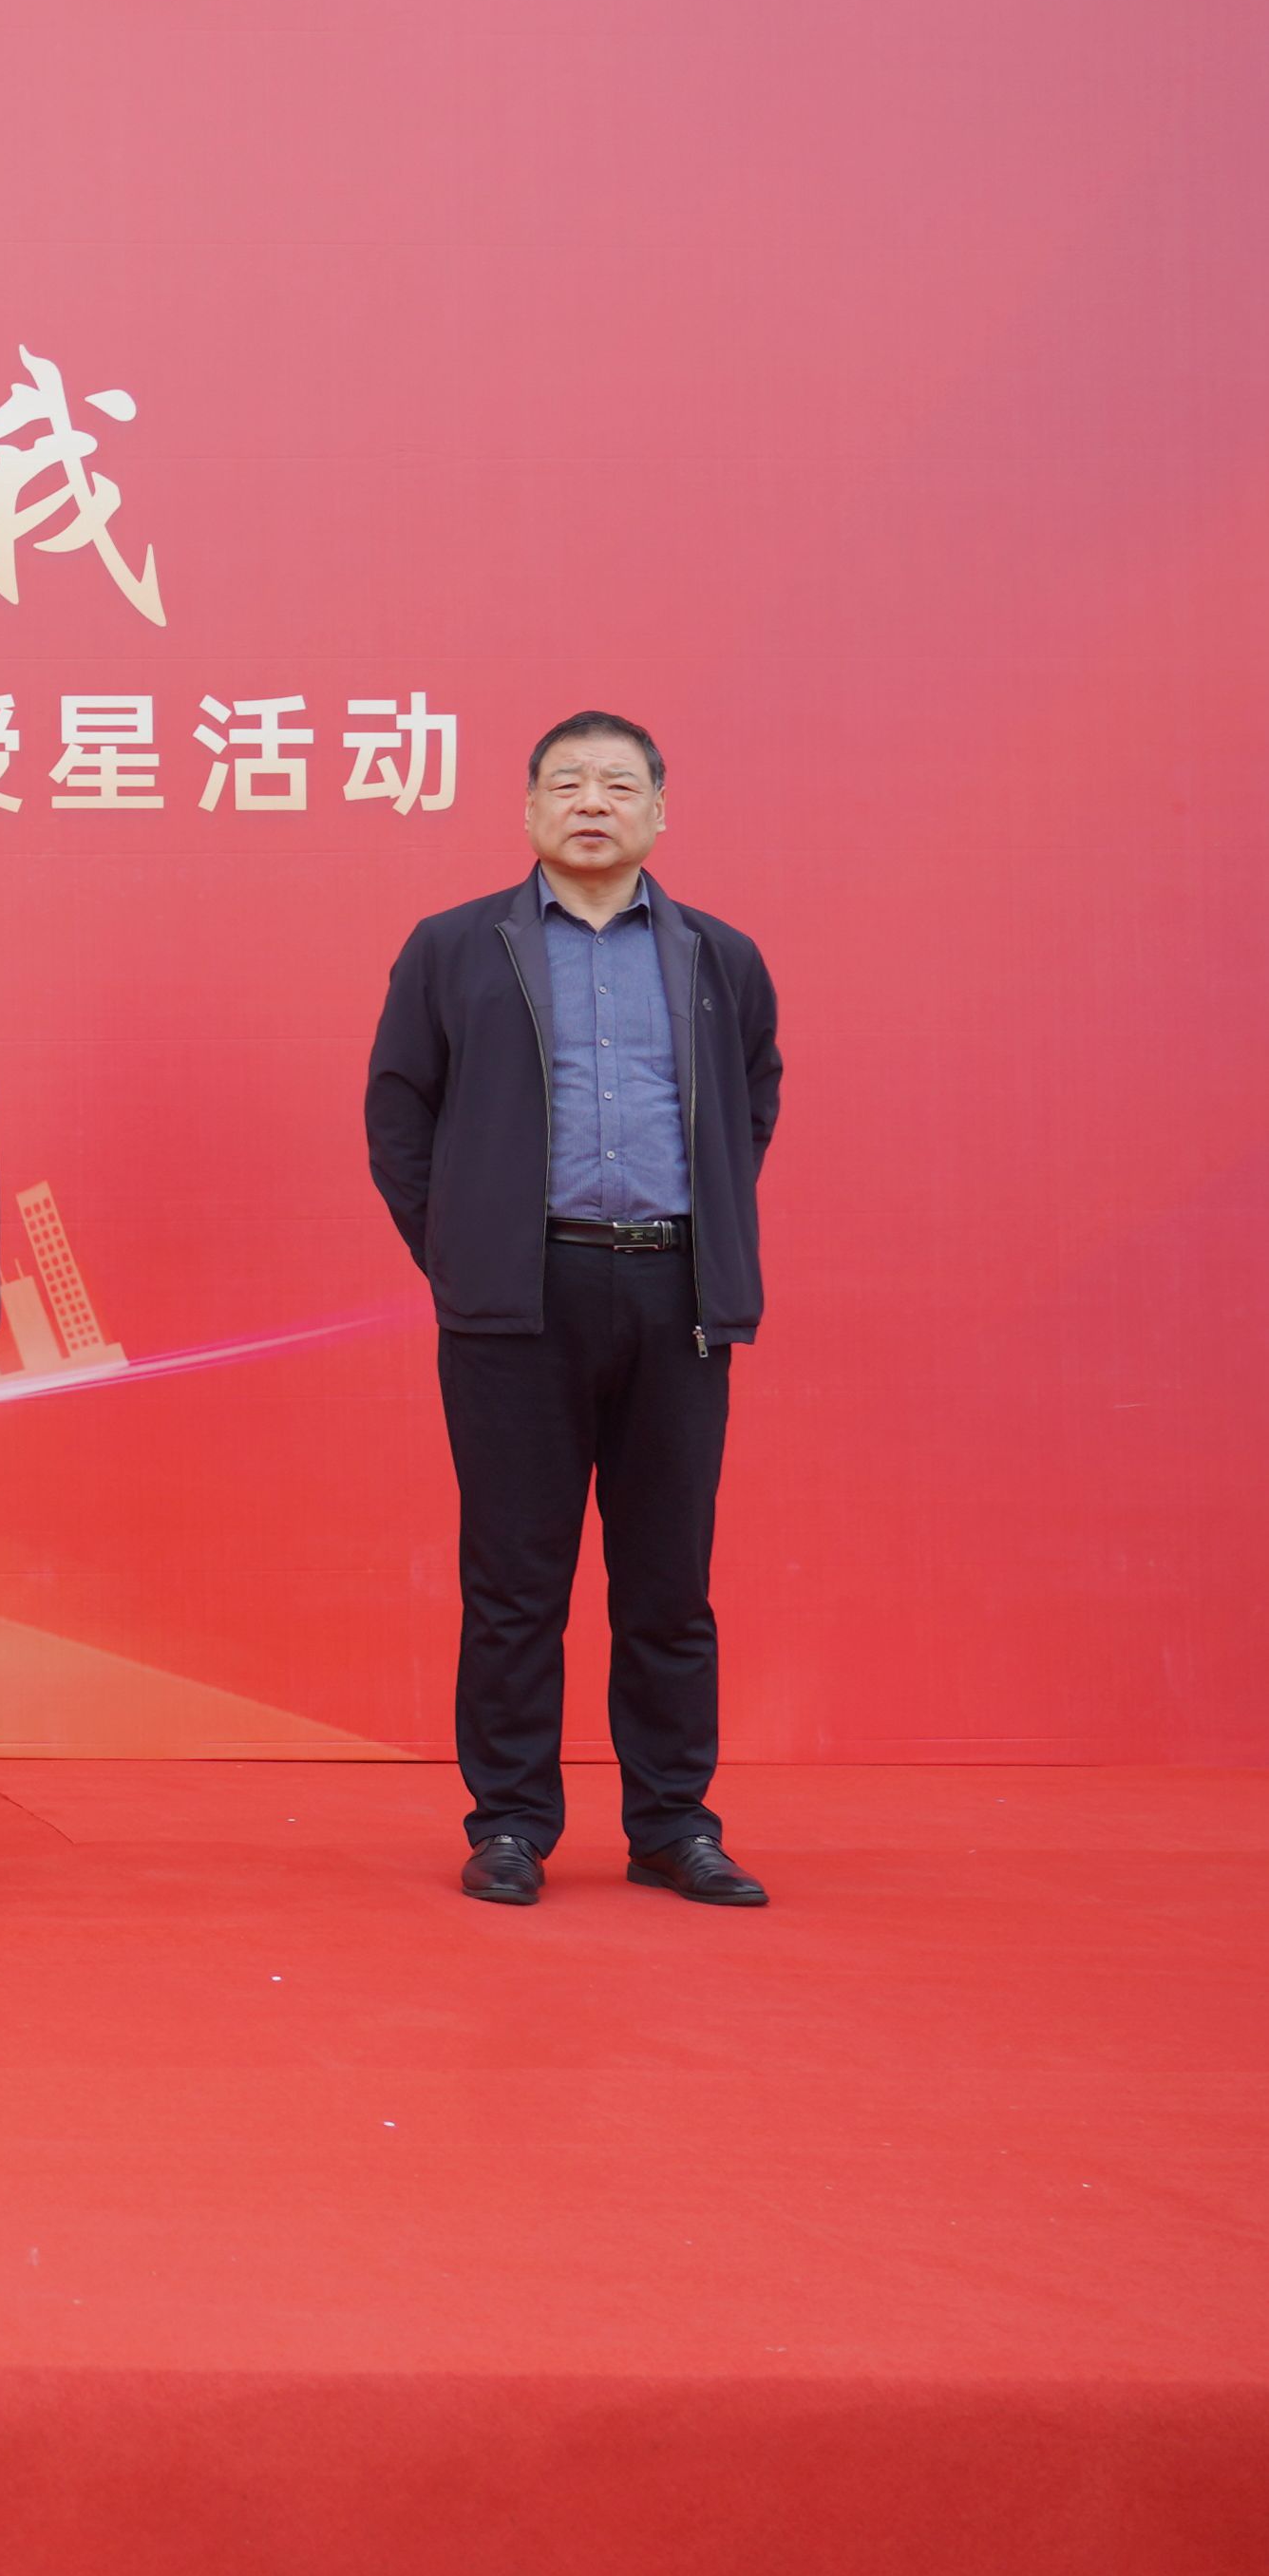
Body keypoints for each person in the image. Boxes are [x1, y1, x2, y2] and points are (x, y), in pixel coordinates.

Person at [368, 710, 783, 1909]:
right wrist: (466, 1252)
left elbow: (748, 1105)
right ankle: (509, 1822)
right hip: (517, 1300)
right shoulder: (455, 947)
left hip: (675, 1292)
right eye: (566, 784)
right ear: (528, 810)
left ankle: (673, 1822)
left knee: (668, 1580)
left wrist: (696, 1229)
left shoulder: (719, 957)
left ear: (658, 810)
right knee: (514, 1581)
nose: (591, 803)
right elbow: (398, 1114)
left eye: (616, 785)